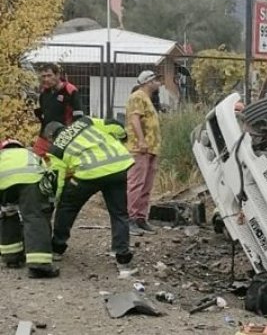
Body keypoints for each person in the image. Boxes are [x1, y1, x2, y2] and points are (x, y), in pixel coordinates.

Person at [44, 117, 133, 272]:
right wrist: (121, 138)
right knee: (119, 213)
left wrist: (54, 199)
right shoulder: (85, 121)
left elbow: (58, 179)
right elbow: (116, 126)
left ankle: (58, 247)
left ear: (51, 138)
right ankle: (122, 257)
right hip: (118, 165)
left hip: (89, 173)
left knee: (67, 207)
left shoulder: (56, 148)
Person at [0, 139, 58, 278]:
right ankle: (39, 265)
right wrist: (49, 202)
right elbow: (50, 175)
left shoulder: (1, 156)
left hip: (3, 183)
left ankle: (11, 257)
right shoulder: (31, 155)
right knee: (34, 217)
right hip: (30, 180)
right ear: (21, 146)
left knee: (8, 213)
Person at [125, 70, 161, 235]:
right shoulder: (138, 96)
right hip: (140, 148)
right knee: (136, 183)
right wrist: (141, 140)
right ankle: (130, 218)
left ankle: (140, 217)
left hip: (151, 148)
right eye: (155, 79)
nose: (158, 82)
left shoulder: (148, 98)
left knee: (146, 184)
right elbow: (134, 119)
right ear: (148, 81)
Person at [33, 63, 84, 157]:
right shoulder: (44, 93)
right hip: (46, 135)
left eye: (49, 75)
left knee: (60, 162)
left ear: (57, 75)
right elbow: (41, 115)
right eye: (43, 76)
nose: (46, 79)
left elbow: (79, 117)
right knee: (36, 157)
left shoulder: (69, 90)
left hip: (64, 135)